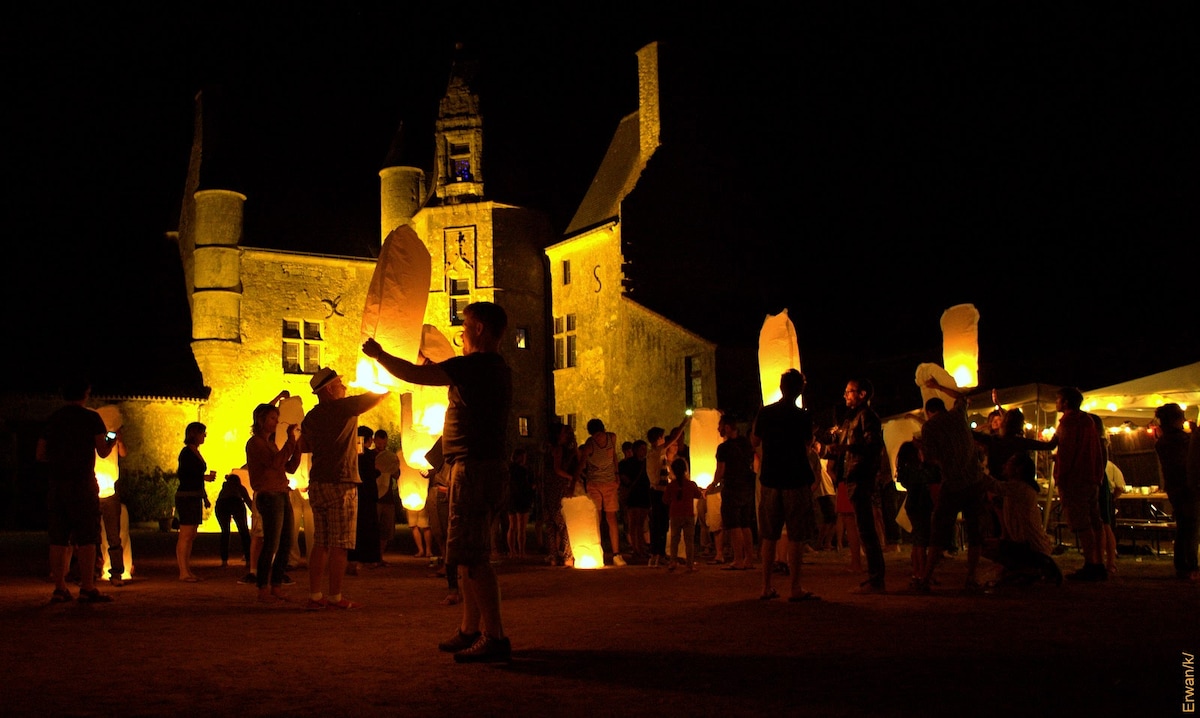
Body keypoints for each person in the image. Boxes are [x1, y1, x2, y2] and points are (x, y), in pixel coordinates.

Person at [364, 300, 514, 663]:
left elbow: (418, 377)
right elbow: (438, 373)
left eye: (464, 328)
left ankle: (494, 637)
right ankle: (470, 629)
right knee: (464, 555)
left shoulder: (476, 366)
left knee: (475, 557)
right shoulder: (490, 368)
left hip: (474, 468)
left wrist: (379, 354)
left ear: (479, 329)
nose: (460, 335)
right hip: (479, 467)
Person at [299, 366, 387, 610]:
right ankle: (336, 597)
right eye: (340, 383)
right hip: (341, 482)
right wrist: (387, 372)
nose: (345, 387)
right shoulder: (342, 407)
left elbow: (305, 445)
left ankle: (315, 595)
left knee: (321, 542)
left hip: (317, 482)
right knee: (340, 543)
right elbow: (378, 395)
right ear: (328, 389)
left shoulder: (312, 416)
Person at [36, 377, 118, 603]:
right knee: (87, 536)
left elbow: (40, 454)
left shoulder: (53, 419)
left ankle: (60, 587)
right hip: (82, 484)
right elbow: (102, 451)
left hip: (57, 484)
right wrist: (112, 441)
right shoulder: (91, 418)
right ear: (85, 394)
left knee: (59, 538)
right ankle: (88, 587)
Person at [751, 370, 820, 602]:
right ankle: (795, 587)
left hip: (770, 477)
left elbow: (754, 440)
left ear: (781, 387)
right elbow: (807, 444)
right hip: (796, 477)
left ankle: (765, 586)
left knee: (769, 535)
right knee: (796, 535)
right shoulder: (803, 416)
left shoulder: (766, 413)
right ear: (800, 389)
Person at [915, 378, 988, 593]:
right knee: (975, 530)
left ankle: (926, 576)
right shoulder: (958, 416)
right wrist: (938, 386)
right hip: (974, 480)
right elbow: (962, 397)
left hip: (953, 482)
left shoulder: (929, 427)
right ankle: (971, 576)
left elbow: (930, 457)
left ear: (929, 412)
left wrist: (920, 448)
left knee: (939, 530)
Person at [825, 378, 886, 594]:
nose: (845, 395)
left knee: (866, 530)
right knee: (863, 528)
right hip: (853, 476)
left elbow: (872, 446)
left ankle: (876, 578)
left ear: (862, 394)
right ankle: (875, 577)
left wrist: (845, 448)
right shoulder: (851, 419)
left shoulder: (867, 417)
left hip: (861, 476)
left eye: (849, 391)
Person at [246, 401, 301, 602]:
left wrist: (296, 447)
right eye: (272, 418)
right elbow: (276, 462)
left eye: (276, 418)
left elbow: (289, 467)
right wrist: (290, 442)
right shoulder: (255, 443)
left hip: (281, 494)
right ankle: (263, 587)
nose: (276, 422)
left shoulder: (270, 444)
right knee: (271, 542)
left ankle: (276, 585)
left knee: (286, 542)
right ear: (261, 420)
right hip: (269, 495)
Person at [980, 454, 1063, 587]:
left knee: (984, 546)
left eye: (1009, 463)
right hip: (1023, 544)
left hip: (1032, 547)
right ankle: (1021, 569)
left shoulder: (1021, 488)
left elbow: (995, 486)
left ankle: (1028, 568)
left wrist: (975, 470)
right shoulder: (1016, 489)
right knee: (986, 545)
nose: (1005, 466)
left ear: (1019, 469)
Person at [1051, 386, 1107, 582]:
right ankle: (1099, 562)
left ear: (1065, 402)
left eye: (1058, 399)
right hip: (1091, 477)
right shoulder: (1089, 421)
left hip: (1075, 479)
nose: (1056, 403)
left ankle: (1091, 563)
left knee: (1082, 523)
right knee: (1094, 520)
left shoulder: (1070, 422)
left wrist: (1061, 474)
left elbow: (1066, 452)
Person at [1154, 403, 1198, 581]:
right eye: (1181, 417)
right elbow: (1188, 463)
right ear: (1175, 419)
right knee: (1191, 527)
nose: (1184, 420)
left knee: (1183, 527)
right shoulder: (1181, 440)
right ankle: (1191, 566)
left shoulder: (1163, 441)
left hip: (1174, 487)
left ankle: (1182, 565)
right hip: (1188, 487)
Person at [578, 418, 625, 566]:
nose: (596, 437)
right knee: (596, 518)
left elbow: (614, 457)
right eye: (594, 435)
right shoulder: (589, 445)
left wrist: (617, 474)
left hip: (610, 483)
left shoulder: (612, 437)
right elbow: (581, 464)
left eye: (598, 434)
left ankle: (616, 554)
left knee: (611, 518)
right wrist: (576, 479)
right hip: (594, 484)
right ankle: (597, 551)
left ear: (603, 431)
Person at [712, 413, 756, 571]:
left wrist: (711, 486)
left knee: (734, 524)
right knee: (746, 524)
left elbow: (720, 471)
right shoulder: (745, 443)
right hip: (747, 487)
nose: (718, 429)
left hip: (732, 488)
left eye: (720, 426)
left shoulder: (723, 448)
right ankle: (749, 559)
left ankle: (738, 559)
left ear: (728, 428)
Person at [176, 421, 216, 582]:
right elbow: (184, 475)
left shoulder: (195, 452)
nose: (204, 436)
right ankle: (183, 571)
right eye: (202, 433)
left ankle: (187, 569)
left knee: (191, 534)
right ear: (195, 434)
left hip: (194, 496)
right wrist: (204, 477)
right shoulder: (186, 453)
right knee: (185, 534)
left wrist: (204, 496)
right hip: (186, 496)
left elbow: (195, 478)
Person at [646, 417, 689, 567]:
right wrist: (684, 422)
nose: (666, 440)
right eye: (663, 437)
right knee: (662, 524)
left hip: (654, 491)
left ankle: (655, 554)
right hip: (659, 492)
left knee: (656, 524)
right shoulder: (658, 451)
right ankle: (659, 554)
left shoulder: (652, 453)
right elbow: (675, 437)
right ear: (658, 439)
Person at [895, 440, 937, 588]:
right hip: (920, 504)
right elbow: (928, 476)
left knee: (917, 539)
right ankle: (921, 573)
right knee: (921, 540)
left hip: (913, 504)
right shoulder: (916, 470)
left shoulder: (905, 470)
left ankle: (918, 572)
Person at [348, 426, 382, 574]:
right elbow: (371, 473)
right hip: (367, 496)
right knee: (367, 528)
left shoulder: (350, 454)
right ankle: (366, 559)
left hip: (354, 494)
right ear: (368, 439)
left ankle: (353, 560)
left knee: (355, 528)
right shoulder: (368, 455)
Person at [543, 423, 578, 567]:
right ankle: (568, 556)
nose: (566, 435)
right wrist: (570, 477)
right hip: (557, 487)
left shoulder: (547, 449)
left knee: (551, 523)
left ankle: (553, 556)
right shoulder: (557, 449)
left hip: (548, 486)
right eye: (564, 433)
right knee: (563, 522)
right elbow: (558, 469)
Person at [663, 457, 704, 573]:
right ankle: (689, 564)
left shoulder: (671, 486)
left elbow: (665, 500)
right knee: (689, 541)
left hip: (675, 514)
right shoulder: (690, 484)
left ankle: (672, 562)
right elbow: (698, 495)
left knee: (674, 540)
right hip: (688, 514)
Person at [619, 439, 651, 562]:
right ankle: (637, 549)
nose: (644, 451)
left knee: (641, 523)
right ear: (635, 450)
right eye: (642, 449)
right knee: (633, 524)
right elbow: (624, 479)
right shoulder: (626, 464)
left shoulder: (646, 463)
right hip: (633, 495)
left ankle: (640, 548)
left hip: (644, 495)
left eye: (645, 448)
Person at [214, 473, 253, 569]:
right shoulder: (239, 487)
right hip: (236, 503)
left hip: (221, 505)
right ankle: (249, 560)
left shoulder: (224, 489)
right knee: (244, 532)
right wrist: (257, 512)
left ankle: (224, 561)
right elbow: (248, 501)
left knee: (225, 532)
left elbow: (219, 502)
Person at [373, 429, 400, 561]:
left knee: (386, 530)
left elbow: (396, 474)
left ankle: (379, 556)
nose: (381, 446)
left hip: (387, 497)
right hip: (374, 497)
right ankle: (372, 557)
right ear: (374, 441)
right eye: (379, 443)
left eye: (383, 444)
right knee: (373, 528)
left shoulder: (389, 457)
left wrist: (393, 468)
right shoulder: (370, 456)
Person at [506, 447, 534, 558]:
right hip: (522, 499)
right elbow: (526, 485)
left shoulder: (509, 469)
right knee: (521, 527)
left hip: (511, 499)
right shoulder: (523, 470)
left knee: (512, 526)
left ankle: (512, 551)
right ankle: (521, 551)